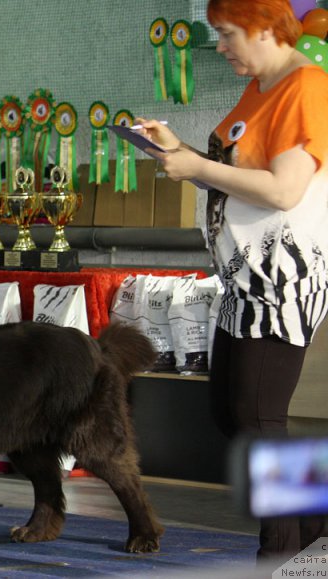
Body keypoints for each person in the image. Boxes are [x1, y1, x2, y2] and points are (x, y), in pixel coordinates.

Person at [136, 0, 328, 564]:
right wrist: (178, 151)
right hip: (244, 280)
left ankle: (284, 558)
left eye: (226, 34)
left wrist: (196, 168)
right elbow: (240, 173)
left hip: (280, 280)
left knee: (256, 418)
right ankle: (316, 528)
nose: (219, 47)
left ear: (266, 27)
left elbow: (283, 190)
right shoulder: (262, 88)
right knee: (230, 413)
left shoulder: (306, 87)